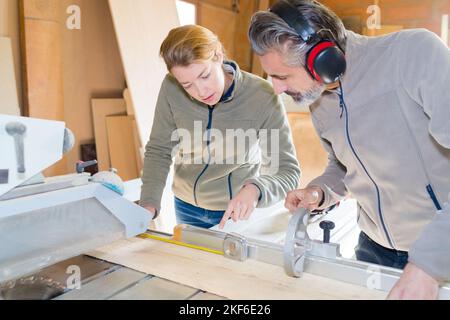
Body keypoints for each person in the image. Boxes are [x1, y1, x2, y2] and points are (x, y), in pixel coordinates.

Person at [248, 0, 450, 299]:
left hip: (438, 248)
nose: (276, 89)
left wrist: (429, 263)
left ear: (322, 58)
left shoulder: (413, 54)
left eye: (282, 77)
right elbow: (343, 165)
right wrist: (320, 191)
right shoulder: (319, 97)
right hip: (373, 248)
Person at [139, 25, 300, 230]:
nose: (200, 91)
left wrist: (256, 189)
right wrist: (148, 204)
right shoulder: (171, 87)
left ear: (219, 56)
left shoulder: (262, 96)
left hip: (234, 212)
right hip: (185, 206)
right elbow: (159, 150)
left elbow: (287, 171)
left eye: (204, 75)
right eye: (187, 85)